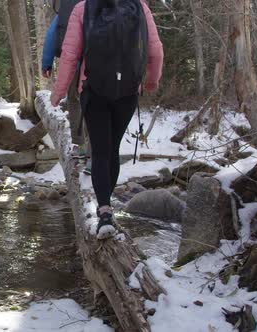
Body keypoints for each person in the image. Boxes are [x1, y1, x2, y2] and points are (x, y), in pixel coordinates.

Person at [50, 0, 164, 239]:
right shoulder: (140, 7)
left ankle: (104, 213)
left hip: (94, 90)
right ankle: (107, 208)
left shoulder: (83, 8)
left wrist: (59, 91)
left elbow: (70, 56)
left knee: (100, 150)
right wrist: (151, 81)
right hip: (128, 91)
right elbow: (155, 51)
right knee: (112, 149)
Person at [42, 5, 91, 168]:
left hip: (74, 67)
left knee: (75, 102)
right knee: (95, 107)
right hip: (101, 68)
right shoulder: (106, 7)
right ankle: (95, 154)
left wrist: (46, 63)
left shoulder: (69, 9)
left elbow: (51, 36)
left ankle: (80, 145)